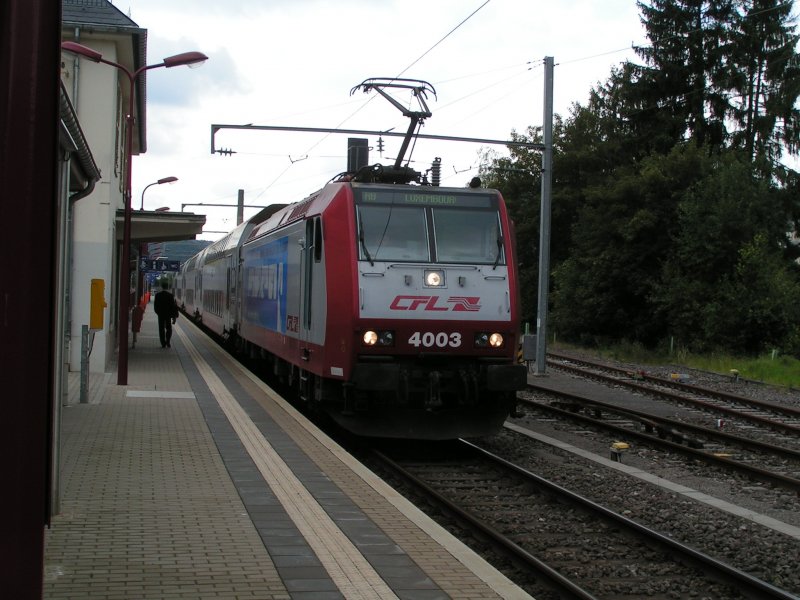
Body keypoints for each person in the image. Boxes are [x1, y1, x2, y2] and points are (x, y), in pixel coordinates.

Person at [153, 281, 177, 348]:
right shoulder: (170, 296)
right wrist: (174, 317)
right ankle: (168, 341)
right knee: (169, 328)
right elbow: (173, 307)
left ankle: (163, 343)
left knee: (161, 329)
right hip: (168, 315)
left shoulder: (158, 295)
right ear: (167, 287)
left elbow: (155, 306)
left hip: (160, 315)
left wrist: (158, 313)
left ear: (161, 287)